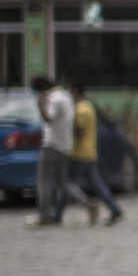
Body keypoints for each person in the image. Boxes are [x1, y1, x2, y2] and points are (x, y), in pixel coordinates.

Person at [26, 74, 90, 229]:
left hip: (51, 146)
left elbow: (49, 118)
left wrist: (40, 105)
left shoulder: (53, 99)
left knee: (44, 182)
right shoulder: (65, 95)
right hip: (66, 147)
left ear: (42, 88)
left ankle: (44, 216)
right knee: (62, 182)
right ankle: (87, 203)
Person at [65, 79, 122, 226]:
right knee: (94, 183)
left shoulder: (80, 110)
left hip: (80, 153)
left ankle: (58, 213)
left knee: (65, 183)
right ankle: (114, 208)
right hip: (89, 151)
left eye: (69, 90)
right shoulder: (88, 106)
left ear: (75, 91)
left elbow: (79, 133)